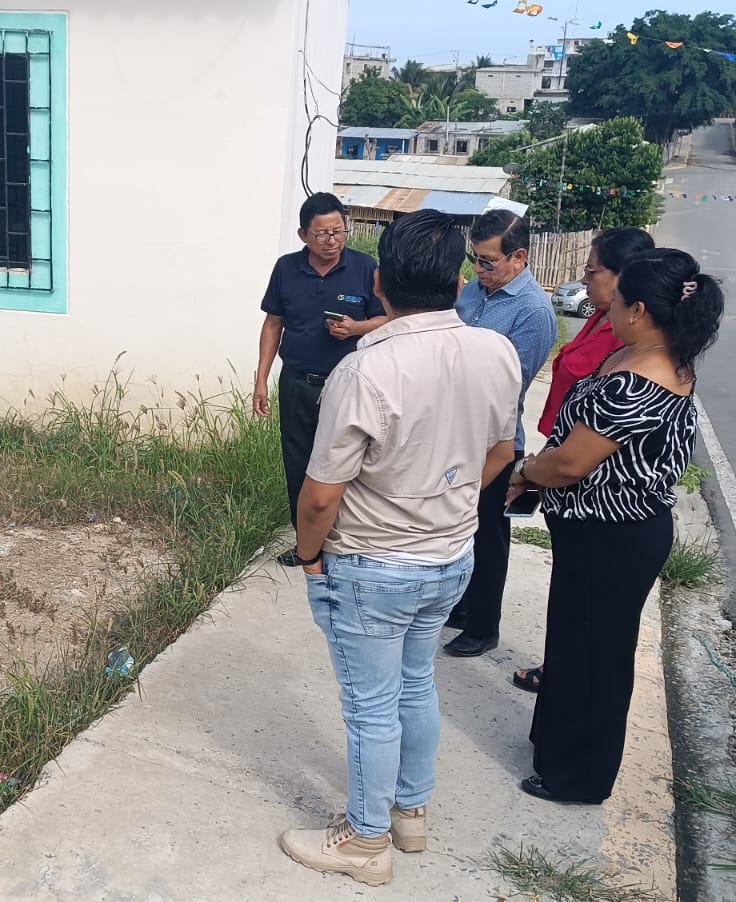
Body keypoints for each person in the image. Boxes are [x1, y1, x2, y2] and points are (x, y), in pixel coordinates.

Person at [277, 210, 521, 885]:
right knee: (416, 684)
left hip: (372, 565)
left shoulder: (365, 370)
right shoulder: (495, 352)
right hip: (450, 555)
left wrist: (309, 556)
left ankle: (365, 842)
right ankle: (410, 813)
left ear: (379, 281)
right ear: (459, 280)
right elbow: (503, 449)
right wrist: (446, 499)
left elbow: (320, 495)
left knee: (370, 707)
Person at [509, 248, 724, 804]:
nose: (610, 307)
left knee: (595, 655)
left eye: (620, 299)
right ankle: (554, 746)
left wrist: (526, 472)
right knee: (573, 642)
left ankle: (578, 777)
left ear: (640, 310)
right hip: (599, 532)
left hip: (612, 539)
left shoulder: (638, 380)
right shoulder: (653, 355)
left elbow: (571, 464)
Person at [513, 227, 656, 694]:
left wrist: (535, 471)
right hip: (565, 465)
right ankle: (561, 669)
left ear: (625, 279)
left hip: (590, 486)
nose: (583, 279)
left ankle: (566, 677)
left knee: (591, 615)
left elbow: (594, 443)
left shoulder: (631, 348)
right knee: (571, 601)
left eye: (592, 271)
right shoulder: (600, 319)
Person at [442, 210, 557, 657]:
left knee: (488, 536)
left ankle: (483, 626)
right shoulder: (475, 289)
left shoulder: (533, 311)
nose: (478, 270)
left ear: (519, 257)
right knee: (458, 527)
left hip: (495, 442)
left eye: (488, 261)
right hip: (453, 431)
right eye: (475, 259)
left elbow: (511, 385)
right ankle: (463, 607)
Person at [254, 193, 385, 566]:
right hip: (298, 382)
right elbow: (273, 323)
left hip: (349, 386)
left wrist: (356, 328)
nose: (332, 240)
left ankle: (347, 542)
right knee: (298, 462)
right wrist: (261, 379)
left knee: (350, 464)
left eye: (339, 231)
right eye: (322, 234)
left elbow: (387, 319)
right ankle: (307, 545)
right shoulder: (287, 269)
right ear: (303, 235)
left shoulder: (365, 267)